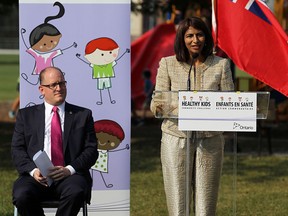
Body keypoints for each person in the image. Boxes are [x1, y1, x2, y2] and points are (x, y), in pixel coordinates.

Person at [150, 17, 234, 216]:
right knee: (178, 202)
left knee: (206, 204)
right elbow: (157, 105)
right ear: (182, 38)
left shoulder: (221, 65)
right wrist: (187, 108)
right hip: (175, 137)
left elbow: (230, 103)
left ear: (206, 37)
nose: (195, 40)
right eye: (189, 36)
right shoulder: (168, 64)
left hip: (210, 139)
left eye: (199, 34)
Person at [11, 66, 98, 216]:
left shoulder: (83, 115)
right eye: (53, 85)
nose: (59, 88)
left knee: (76, 191)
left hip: (70, 176)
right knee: (21, 194)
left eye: (62, 83)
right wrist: (33, 171)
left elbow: (91, 150)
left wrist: (69, 169)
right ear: (41, 89)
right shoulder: (26, 116)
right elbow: (17, 149)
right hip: (36, 177)